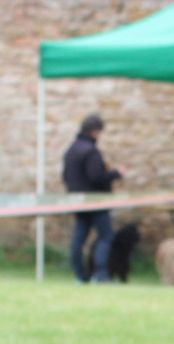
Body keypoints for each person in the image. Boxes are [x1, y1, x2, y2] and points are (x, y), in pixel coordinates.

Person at [62, 114, 123, 282]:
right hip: (96, 201)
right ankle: (100, 274)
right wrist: (116, 173)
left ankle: (80, 275)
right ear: (94, 132)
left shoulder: (71, 149)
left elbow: (65, 176)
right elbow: (96, 177)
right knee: (106, 236)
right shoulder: (91, 151)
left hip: (77, 200)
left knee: (79, 237)